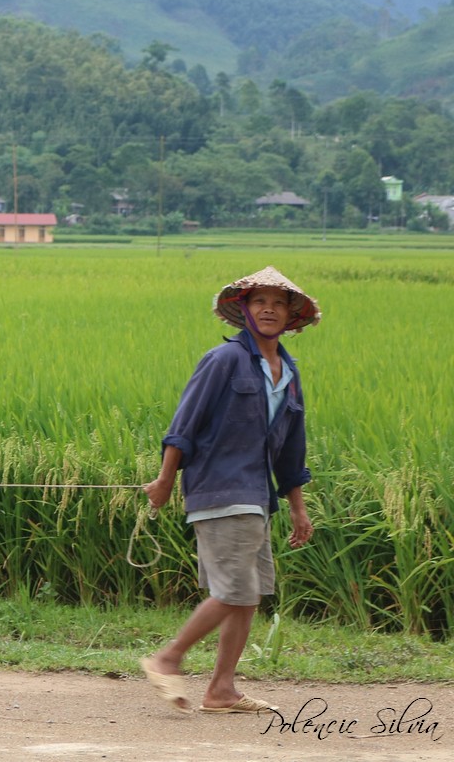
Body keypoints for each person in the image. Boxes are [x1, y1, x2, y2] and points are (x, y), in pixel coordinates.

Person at [140, 266, 318, 714]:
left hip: (257, 496)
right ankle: (168, 657)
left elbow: (290, 454)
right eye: (259, 302)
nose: (269, 310)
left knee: (249, 594)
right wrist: (164, 481)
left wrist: (298, 509)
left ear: (292, 314)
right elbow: (183, 426)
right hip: (219, 489)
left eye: (279, 303)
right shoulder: (223, 361)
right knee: (235, 589)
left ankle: (221, 690)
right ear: (243, 310)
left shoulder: (289, 374)